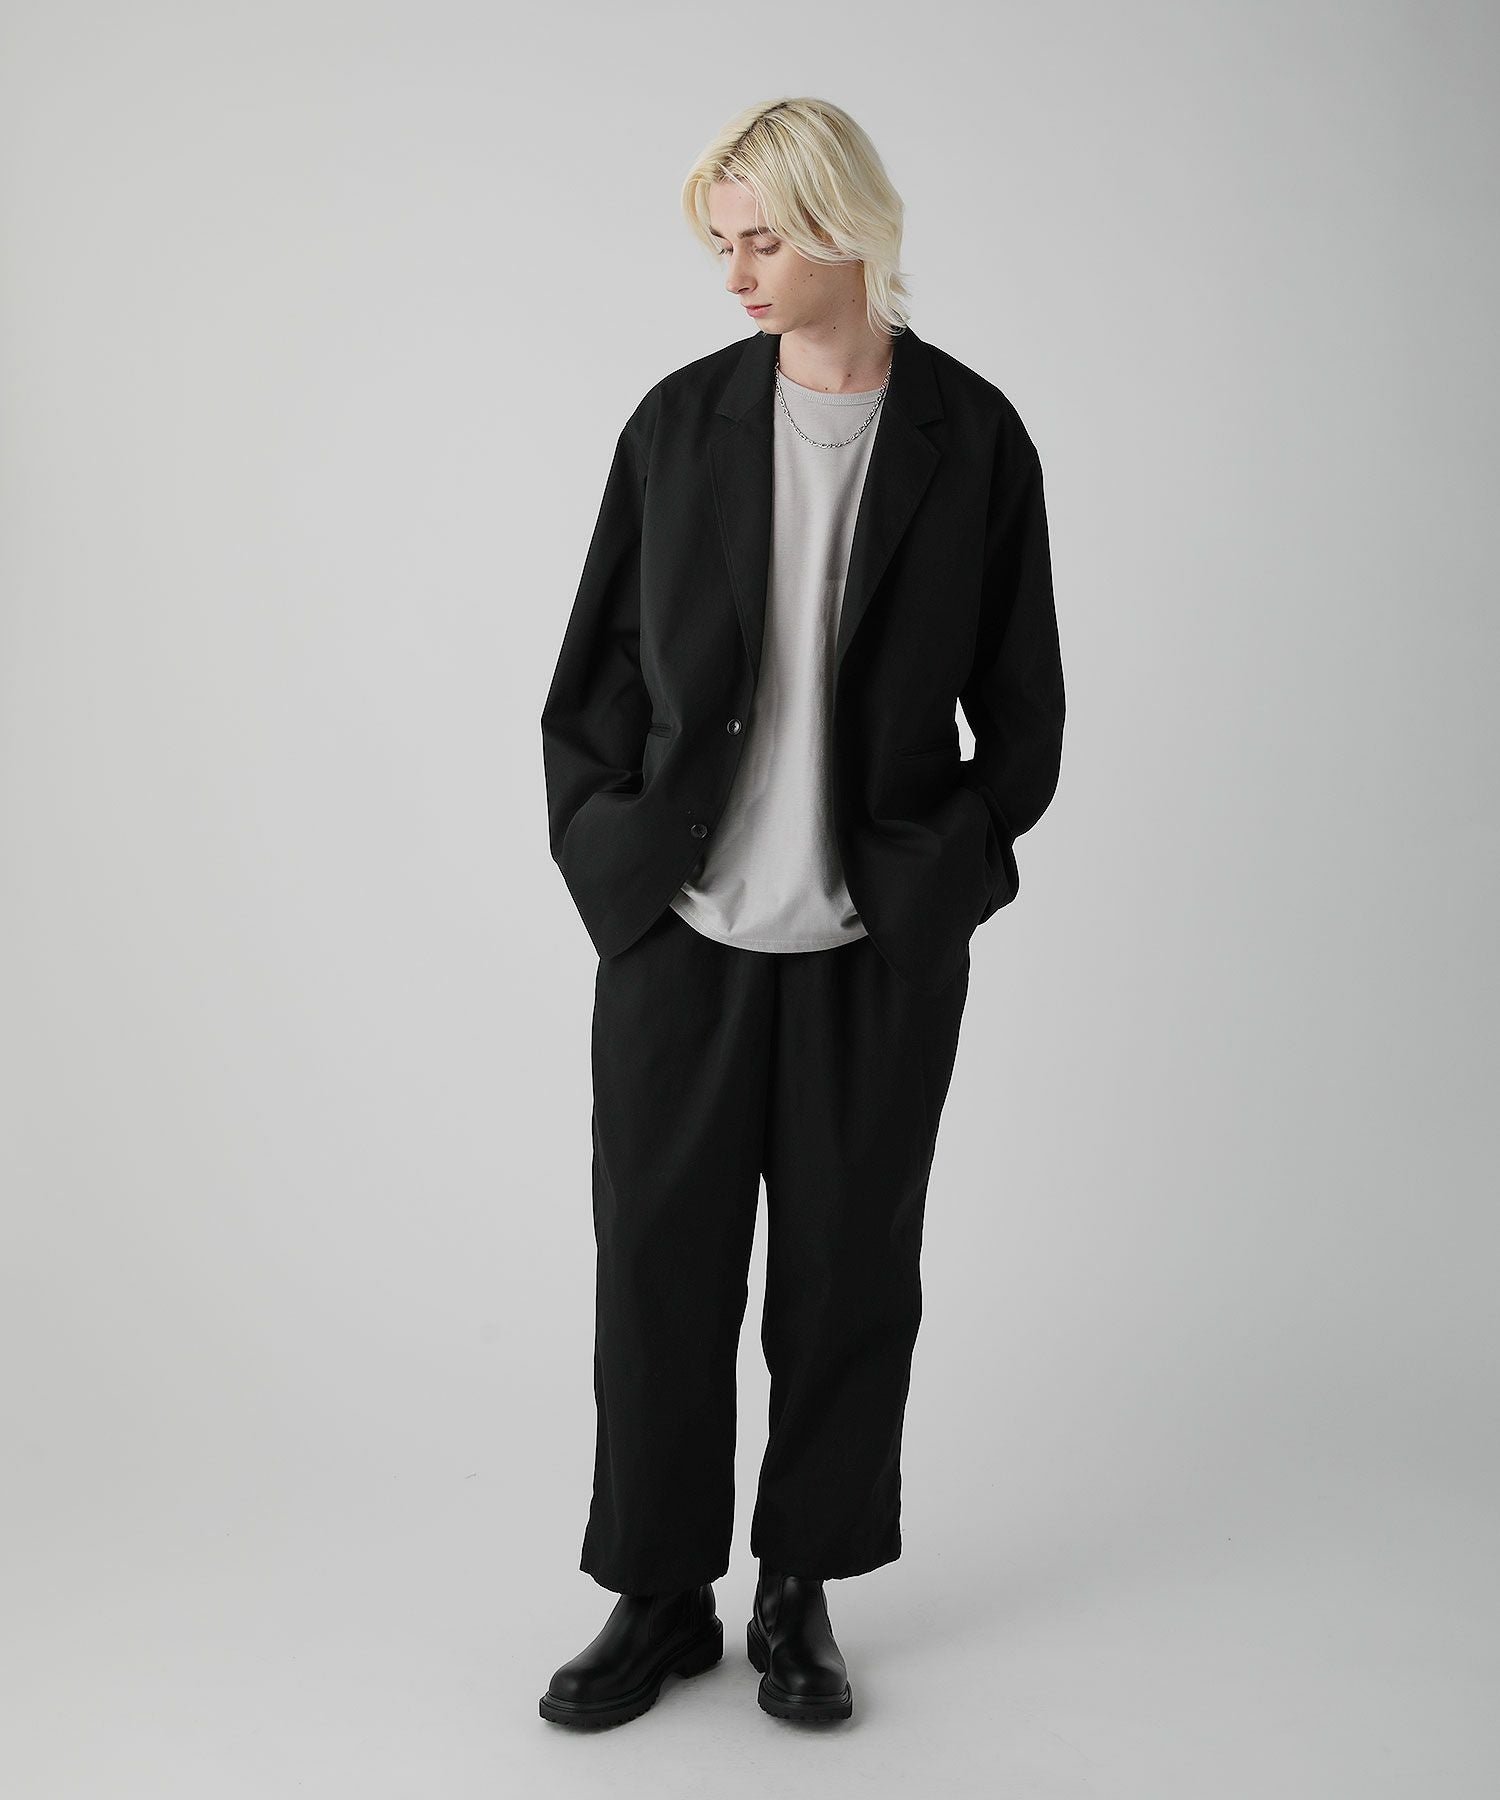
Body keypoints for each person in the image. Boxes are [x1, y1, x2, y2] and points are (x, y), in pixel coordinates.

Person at [537, 95, 1065, 1729]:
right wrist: (615, 866)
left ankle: (798, 1591)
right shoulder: (678, 427)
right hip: (681, 939)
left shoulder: (973, 439)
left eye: (762, 238)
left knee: (847, 1284)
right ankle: (658, 1594)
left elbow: (1025, 715)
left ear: (845, 228)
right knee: (659, 1277)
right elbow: (590, 686)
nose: (737, 274)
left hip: (871, 953)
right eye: (723, 243)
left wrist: (942, 878)